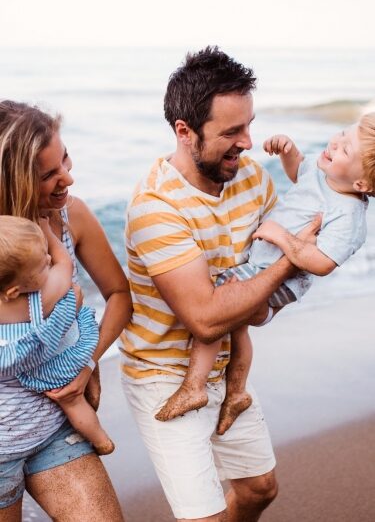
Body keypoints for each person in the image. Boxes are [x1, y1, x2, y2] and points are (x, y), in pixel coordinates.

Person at [121, 46, 320, 522]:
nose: (248, 143)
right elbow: (206, 318)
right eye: (231, 132)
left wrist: (259, 298)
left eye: (249, 125)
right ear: (185, 132)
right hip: (165, 374)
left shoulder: (248, 175)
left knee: (258, 490)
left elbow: (258, 290)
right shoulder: (156, 209)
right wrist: (291, 263)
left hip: (227, 366)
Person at [156, 114, 375, 434]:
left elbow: (323, 262)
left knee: (221, 302)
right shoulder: (325, 169)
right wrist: (288, 152)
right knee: (237, 323)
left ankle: (194, 387)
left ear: (361, 184)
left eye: (345, 150)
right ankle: (237, 392)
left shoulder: (349, 216)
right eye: (342, 133)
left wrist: (281, 238)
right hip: (264, 263)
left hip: (281, 275)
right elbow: (299, 173)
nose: (335, 143)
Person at [0, 100, 131, 521]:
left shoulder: (69, 216)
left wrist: (87, 365)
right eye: (49, 174)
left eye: (66, 159)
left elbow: (118, 295)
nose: (68, 178)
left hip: (58, 426)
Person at [0, 215, 114, 455]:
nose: (49, 259)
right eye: (42, 266)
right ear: (13, 291)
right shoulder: (42, 296)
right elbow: (65, 264)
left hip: (35, 369)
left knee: (71, 403)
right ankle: (101, 439)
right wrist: (48, 234)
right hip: (66, 357)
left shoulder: (7, 308)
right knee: (73, 401)